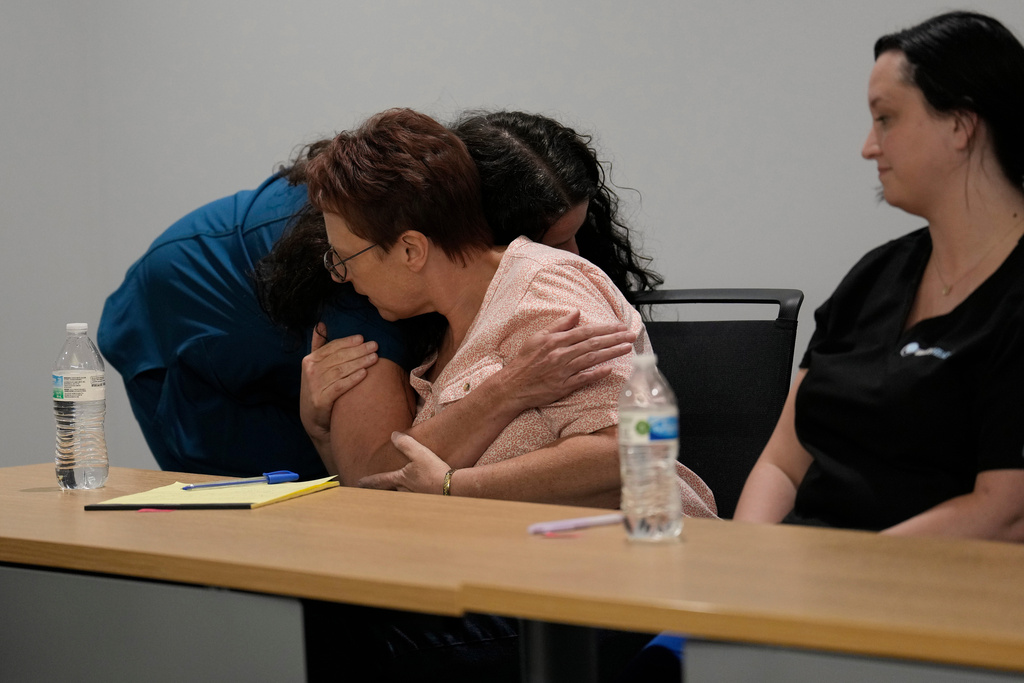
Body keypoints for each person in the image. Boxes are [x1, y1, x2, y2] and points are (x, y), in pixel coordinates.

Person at [617, 11, 1024, 680]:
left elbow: (1006, 511)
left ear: (962, 124)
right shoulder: (875, 278)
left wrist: (827, 578)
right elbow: (782, 458)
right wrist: (749, 569)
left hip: (934, 606)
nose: (869, 146)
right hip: (802, 588)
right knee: (660, 668)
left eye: (887, 118)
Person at [98, 112, 648, 480]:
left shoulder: (449, 259)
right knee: (272, 526)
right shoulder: (362, 272)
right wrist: (506, 392)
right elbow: (376, 478)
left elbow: (624, 454)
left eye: (577, 234)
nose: (575, 259)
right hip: (191, 321)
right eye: (551, 243)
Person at [298, 108, 715, 515]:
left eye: (347, 258)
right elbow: (380, 486)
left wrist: (453, 488)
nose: (341, 276)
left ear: (411, 250)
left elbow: (634, 448)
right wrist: (504, 390)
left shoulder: (545, 291)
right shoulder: (445, 334)